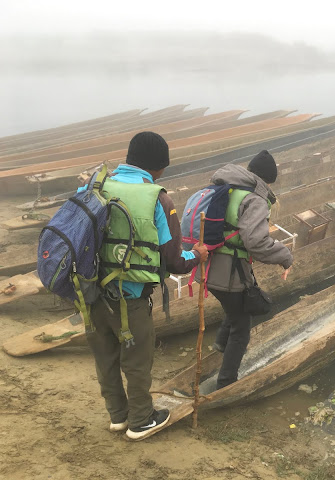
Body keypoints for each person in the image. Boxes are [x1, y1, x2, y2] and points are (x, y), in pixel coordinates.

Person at [85, 131, 208, 441]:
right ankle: (141, 421)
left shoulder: (95, 186)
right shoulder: (158, 198)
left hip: (90, 293)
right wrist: (198, 255)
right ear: (159, 168)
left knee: (106, 357)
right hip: (131, 298)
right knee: (137, 362)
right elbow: (174, 260)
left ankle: (118, 416)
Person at [206, 150, 293, 390]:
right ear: (266, 179)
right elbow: (256, 243)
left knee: (234, 308)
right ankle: (226, 384)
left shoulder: (226, 188)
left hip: (208, 265)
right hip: (230, 271)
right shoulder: (254, 199)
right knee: (242, 328)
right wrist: (285, 256)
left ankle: (219, 347)